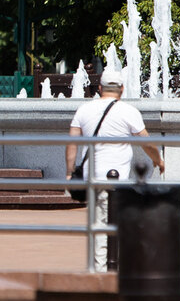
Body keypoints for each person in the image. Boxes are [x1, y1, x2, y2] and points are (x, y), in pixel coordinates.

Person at [65, 68, 165, 272]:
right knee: (113, 224)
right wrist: (158, 160)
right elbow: (147, 143)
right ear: (122, 89)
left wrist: (69, 172)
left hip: (90, 176)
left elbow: (72, 143)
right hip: (115, 179)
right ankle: (105, 273)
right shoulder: (129, 111)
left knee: (97, 224)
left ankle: (99, 268)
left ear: (100, 88)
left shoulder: (84, 109)